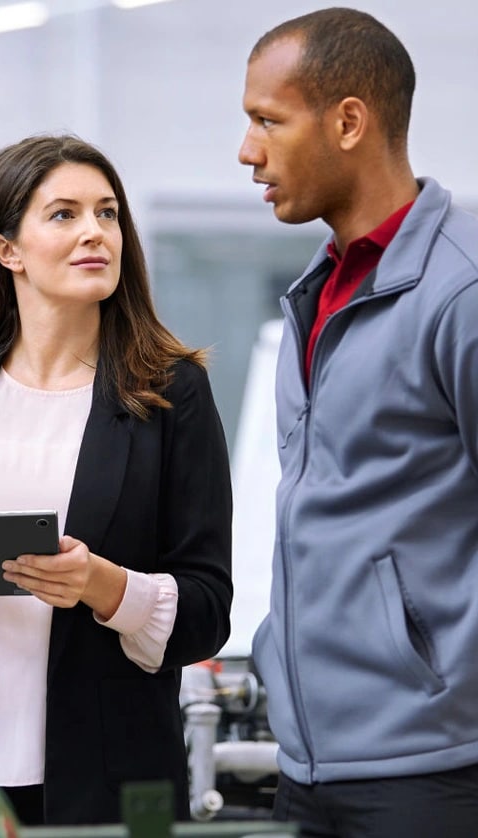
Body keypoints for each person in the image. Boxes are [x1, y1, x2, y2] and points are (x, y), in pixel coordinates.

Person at [0, 134, 233, 827]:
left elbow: (209, 608)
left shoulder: (173, 393)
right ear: (8, 250)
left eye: (108, 213)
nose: (96, 232)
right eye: (64, 214)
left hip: (111, 780)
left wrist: (103, 586)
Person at [238, 8, 478, 838]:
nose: (248, 152)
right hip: (309, 764)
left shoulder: (462, 292)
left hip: (433, 772)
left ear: (348, 121)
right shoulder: (317, 291)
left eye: (268, 122)